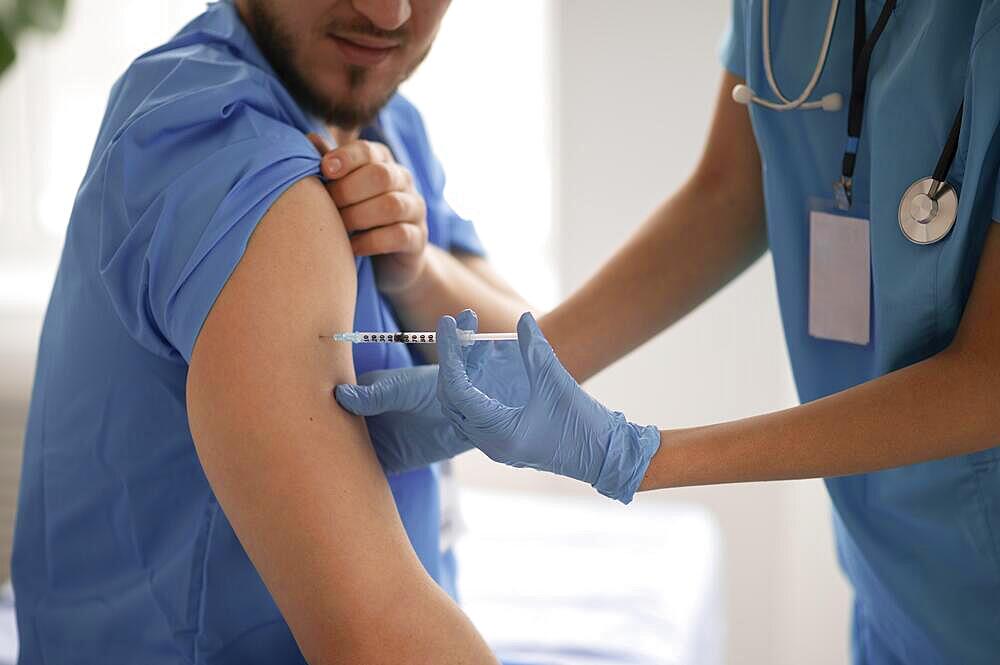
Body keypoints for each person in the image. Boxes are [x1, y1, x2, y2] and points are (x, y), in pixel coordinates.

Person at [335, 1, 1000, 662]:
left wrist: (637, 454)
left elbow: (988, 377)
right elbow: (727, 195)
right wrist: (522, 370)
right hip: (888, 571)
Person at [11, 0, 530, 662]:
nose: (389, 11)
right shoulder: (221, 150)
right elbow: (376, 635)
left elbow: (532, 357)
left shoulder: (382, 120)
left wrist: (415, 270)